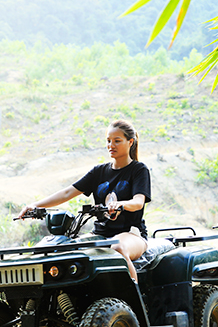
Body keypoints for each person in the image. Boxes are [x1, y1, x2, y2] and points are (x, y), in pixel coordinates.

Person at [17, 120, 151, 282]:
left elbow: (138, 202)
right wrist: (35, 205)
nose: (111, 145)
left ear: (130, 142)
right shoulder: (99, 172)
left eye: (117, 141)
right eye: (108, 141)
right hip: (100, 234)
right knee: (65, 250)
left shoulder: (138, 170)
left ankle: (132, 300)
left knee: (117, 249)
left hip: (131, 233)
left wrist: (120, 204)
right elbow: (67, 193)